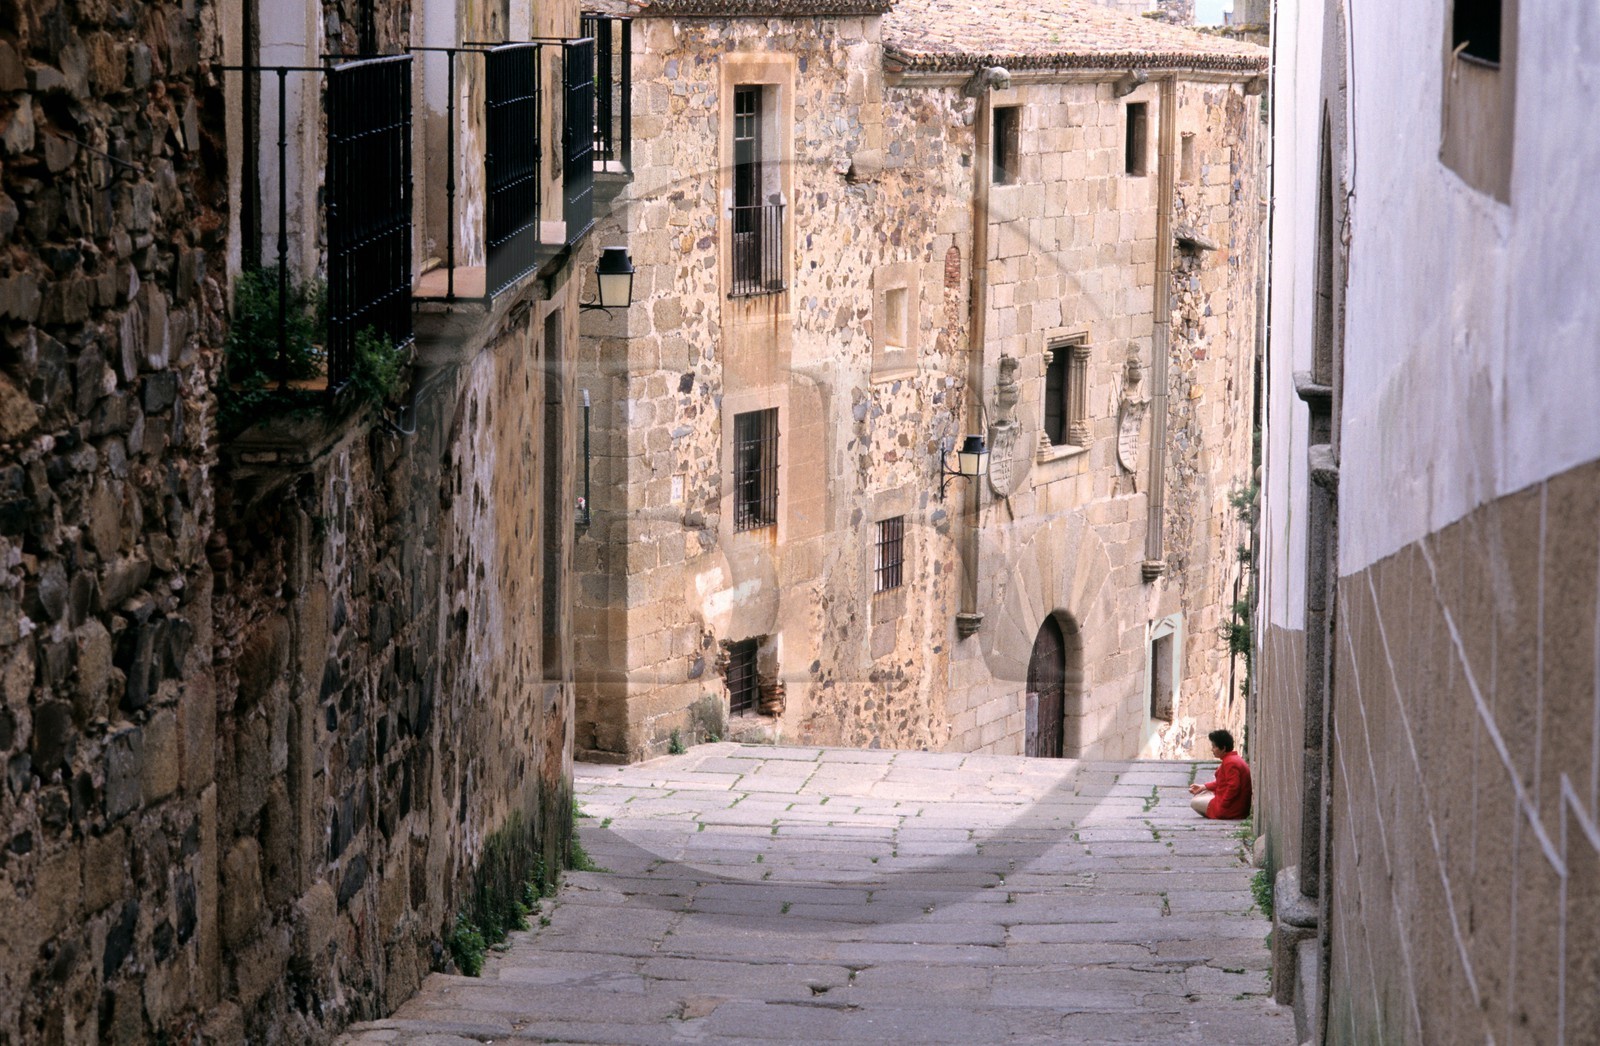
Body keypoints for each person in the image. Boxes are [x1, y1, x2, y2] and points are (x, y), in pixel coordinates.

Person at [1189, 729, 1252, 819]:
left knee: (1194, 802)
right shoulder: (1233, 759)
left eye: (1214, 747)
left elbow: (1233, 787)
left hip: (1232, 808)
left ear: (1223, 748)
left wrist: (1223, 804)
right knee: (1203, 793)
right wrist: (1203, 787)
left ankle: (1215, 811)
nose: (1212, 750)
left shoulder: (1230, 763)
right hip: (1237, 805)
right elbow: (1222, 782)